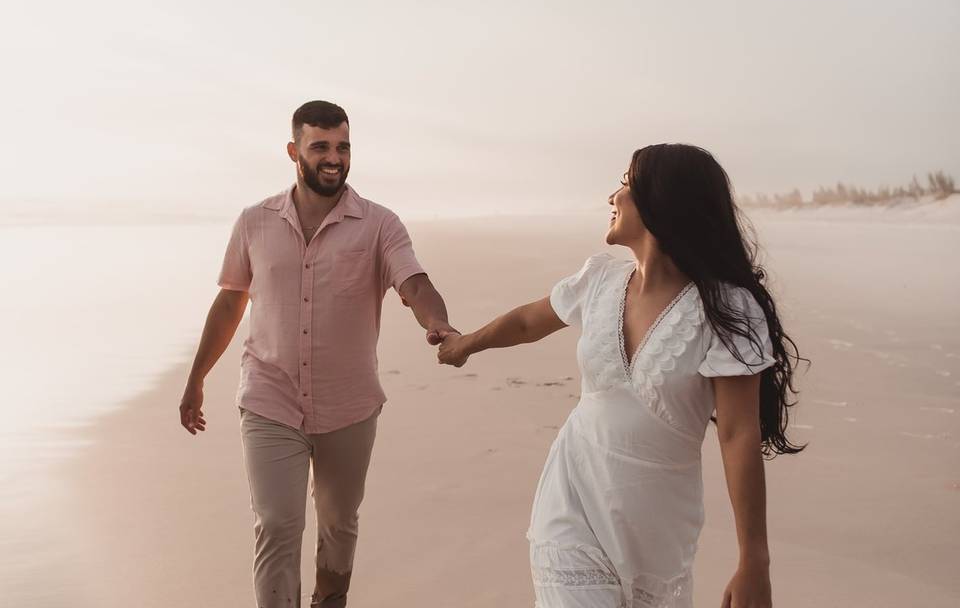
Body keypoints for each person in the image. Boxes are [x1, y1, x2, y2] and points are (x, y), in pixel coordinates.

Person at [438, 144, 804, 608]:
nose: (613, 195)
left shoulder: (728, 309)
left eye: (627, 184)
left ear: (660, 201)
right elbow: (530, 321)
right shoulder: (599, 280)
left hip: (658, 527)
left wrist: (754, 559)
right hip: (572, 503)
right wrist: (466, 343)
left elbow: (737, 434)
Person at [178, 100, 456, 608]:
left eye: (343, 147)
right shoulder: (253, 221)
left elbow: (413, 281)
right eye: (321, 146)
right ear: (294, 151)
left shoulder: (380, 224)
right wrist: (197, 378)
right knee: (277, 524)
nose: (334, 158)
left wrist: (436, 320)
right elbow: (230, 300)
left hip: (348, 405)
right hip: (269, 398)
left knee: (338, 524)